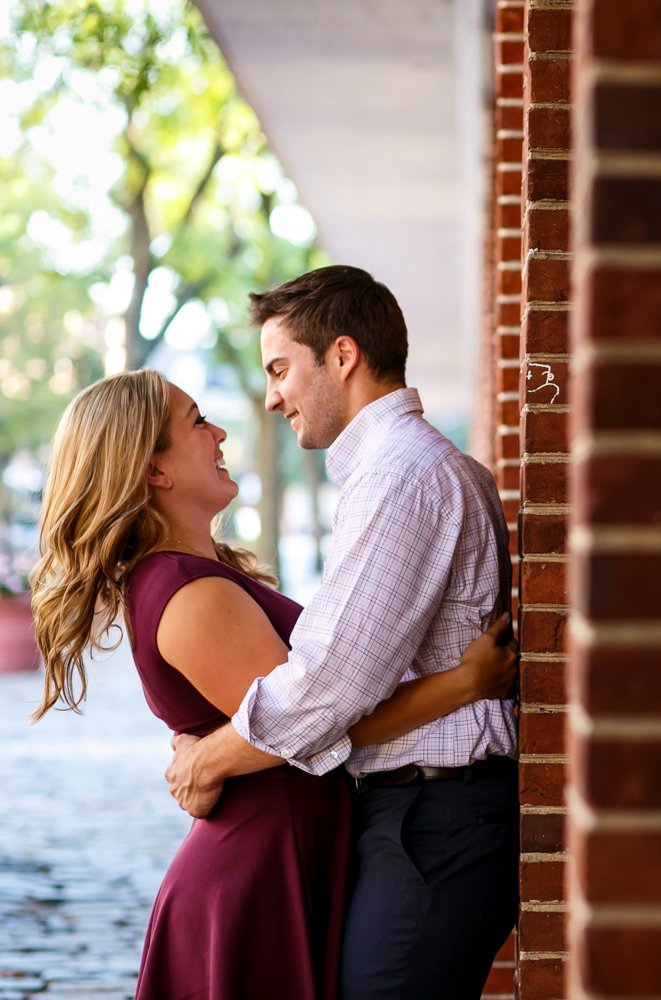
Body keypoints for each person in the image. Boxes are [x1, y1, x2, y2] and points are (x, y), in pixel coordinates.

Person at [28, 368, 516, 999]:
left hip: (289, 848)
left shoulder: (199, 576)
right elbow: (318, 721)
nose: (221, 433)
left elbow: (315, 707)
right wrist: (464, 683)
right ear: (154, 470)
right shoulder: (188, 591)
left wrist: (208, 754)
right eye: (198, 422)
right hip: (257, 868)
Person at [165, 265, 520, 999]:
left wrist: (210, 760)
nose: (271, 397)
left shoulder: (402, 477)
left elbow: (331, 682)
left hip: (434, 820)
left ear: (344, 356)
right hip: (423, 815)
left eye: (280, 369)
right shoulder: (397, 472)